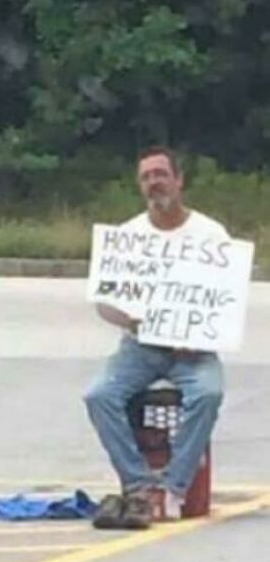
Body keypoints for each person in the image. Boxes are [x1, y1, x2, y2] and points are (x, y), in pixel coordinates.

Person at [84, 146, 227, 530]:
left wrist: (194, 335)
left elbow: (223, 300)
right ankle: (138, 485)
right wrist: (131, 320)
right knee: (99, 395)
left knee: (208, 393)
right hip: (141, 346)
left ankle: (174, 487)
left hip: (193, 350)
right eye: (146, 177)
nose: (154, 183)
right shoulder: (128, 237)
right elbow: (105, 304)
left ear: (179, 180)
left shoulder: (210, 234)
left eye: (161, 174)